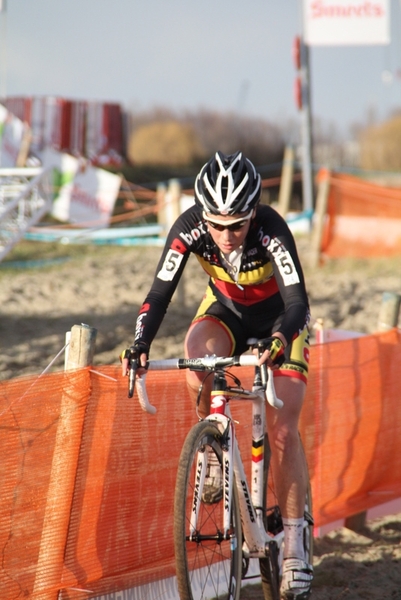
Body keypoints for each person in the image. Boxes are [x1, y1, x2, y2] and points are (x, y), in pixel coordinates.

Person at [121, 150, 313, 600]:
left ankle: (294, 545)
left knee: (283, 431)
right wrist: (140, 344)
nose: (225, 235)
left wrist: (280, 342)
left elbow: (298, 303)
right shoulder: (188, 227)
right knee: (196, 362)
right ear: (201, 214)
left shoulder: (272, 229)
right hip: (226, 311)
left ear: (253, 214)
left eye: (237, 225)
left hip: (280, 323)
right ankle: (211, 447)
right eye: (216, 225)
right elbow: (159, 292)